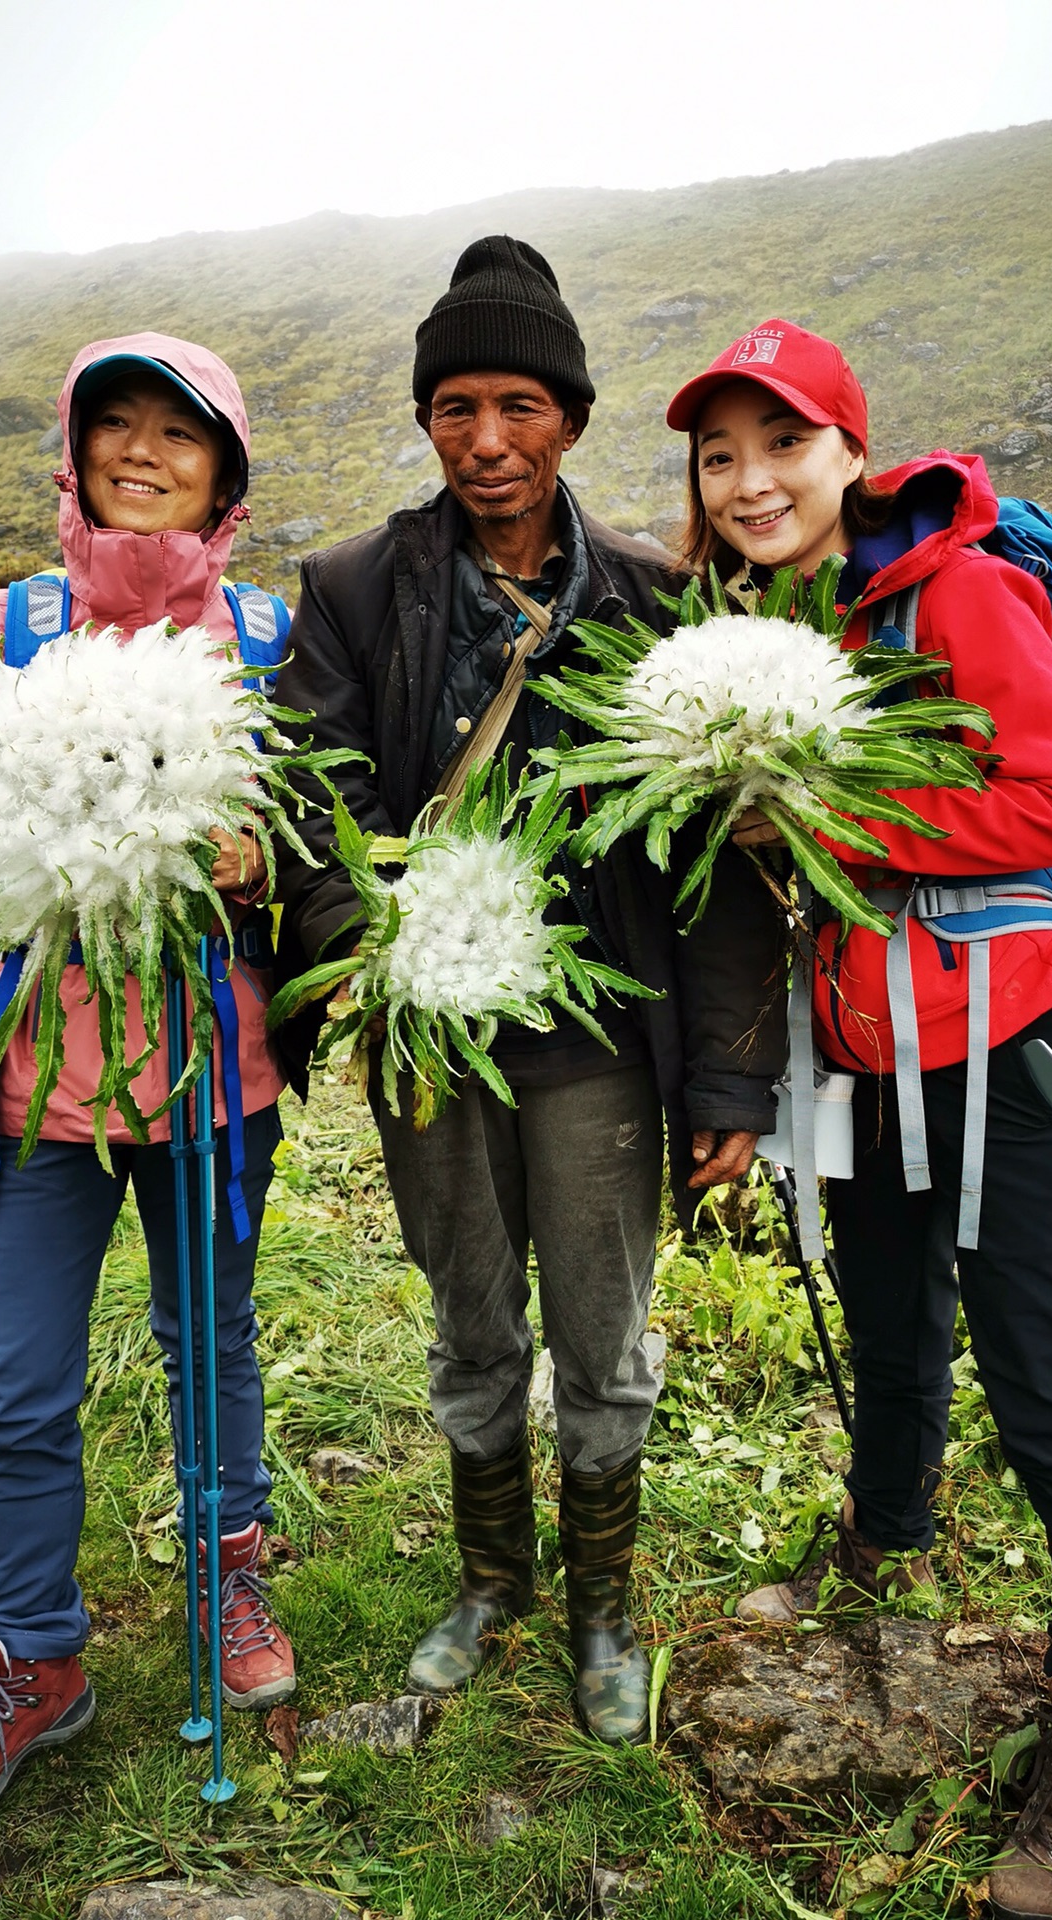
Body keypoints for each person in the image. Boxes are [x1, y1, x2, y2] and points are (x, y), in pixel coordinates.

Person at [665, 319, 1052, 1920]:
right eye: (721, 454)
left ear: (849, 453)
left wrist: (824, 796)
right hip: (868, 1055)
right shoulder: (753, 618)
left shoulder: (955, 590)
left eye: (784, 446)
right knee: (892, 1319)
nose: (752, 482)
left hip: (1014, 1054)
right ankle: (888, 1543)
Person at [274, 238, 787, 1745]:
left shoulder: (652, 601)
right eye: (453, 409)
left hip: (601, 1052)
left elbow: (715, 857)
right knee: (472, 1311)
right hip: (436, 1043)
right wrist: (371, 939)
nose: (485, 440)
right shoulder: (357, 587)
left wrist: (732, 1083)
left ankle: (603, 1606)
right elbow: (312, 792)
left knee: (606, 1328)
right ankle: (495, 1576)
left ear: (568, 415)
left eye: (516, 404)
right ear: (428, 421)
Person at [0, 332, 295, 1842]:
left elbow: (319, 841)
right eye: (112, 423)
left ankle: (228, 1570)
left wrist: (265, 861)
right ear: (74, 452)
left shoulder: (264, 637)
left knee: (213, 1343)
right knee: (13, 1385)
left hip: (208, 1076)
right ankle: (31, 1660)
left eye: (176, 433)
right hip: (35, 1083)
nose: (142, 449)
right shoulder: (4, 626)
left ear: (223, 471)